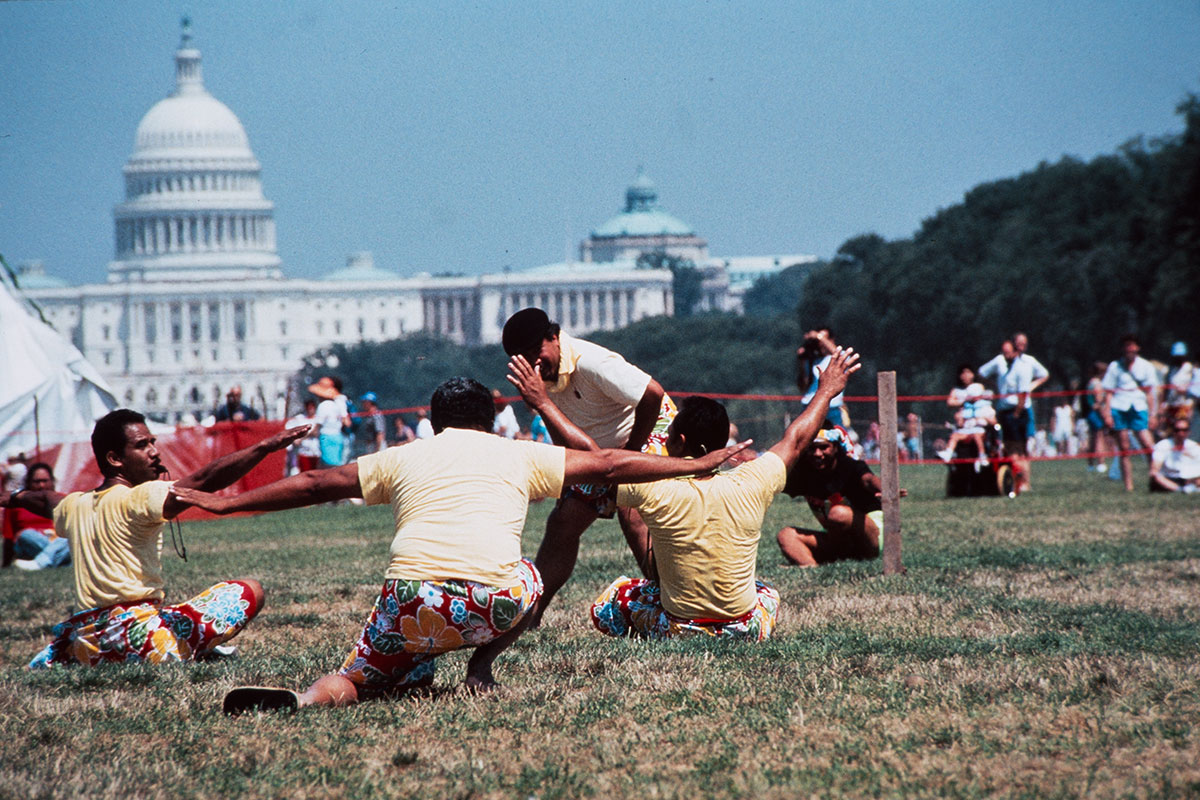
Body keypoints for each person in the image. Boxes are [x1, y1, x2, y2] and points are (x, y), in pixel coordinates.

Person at [169, 377, 749, 713]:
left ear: (434, 420)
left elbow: (318, 482)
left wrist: (225, 503)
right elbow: (608, 461)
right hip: (494, 604)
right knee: (534, 574)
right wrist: (696, 462)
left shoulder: (403, 455)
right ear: (494, 419)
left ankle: (305, 700)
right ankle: (481, 668)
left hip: (410, 602)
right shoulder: (517, 452)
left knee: (358, 676)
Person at [508, 346, 859, 640]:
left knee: (613, 599)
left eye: (670, 429)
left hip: (680, 628)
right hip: (745, 626)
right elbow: (796, 439)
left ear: (680, 441)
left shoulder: (651, 487)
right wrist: (827, 390)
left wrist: (543, 403)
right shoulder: (755, 479)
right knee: (765, 592)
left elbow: (603, 462)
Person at [0, 409, 308, 668]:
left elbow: (42, 500)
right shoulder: (141, 496)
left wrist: (11, 497)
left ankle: (74, 655)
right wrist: (265, 446)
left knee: (167, 616)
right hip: (138, 638)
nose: (154, 452)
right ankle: (186, 649)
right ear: (115, 458)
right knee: (249, 590)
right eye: (142, 445)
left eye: (152, 442)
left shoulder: (74, 504)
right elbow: (204, 480)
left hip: (87, 642)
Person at [500, 307, 677, 624]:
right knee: (563, 522)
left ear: (554, 337)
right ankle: (531, 614)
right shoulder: (540, 382)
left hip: (648, 427)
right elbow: (566, 442)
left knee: (629, 505)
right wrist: (541, 403)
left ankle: (669, 600)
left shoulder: (590, 361)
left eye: (536, 350)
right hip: (601, 449)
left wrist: (631, 454)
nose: (535, 361)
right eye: (524, 357)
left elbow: (653, 394)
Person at [776, 422, 904, 567]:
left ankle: (855, 555)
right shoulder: (804, 474)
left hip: (872, 536)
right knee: (786, 535)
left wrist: (886, 489)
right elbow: (773, 481)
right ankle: (812, 568)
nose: (818, 454)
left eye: (824, 447)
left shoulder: (850, 466)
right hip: (837, 539)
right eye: (812, 449)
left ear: (835, 448)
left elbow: (868, 479)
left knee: (838, 514)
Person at [978, 337, 1049, 493]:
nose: (1006, 356)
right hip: (1005, 411)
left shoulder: (1023, 366)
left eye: (1008, 353)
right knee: (1011, 448)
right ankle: (1020, 483)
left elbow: (1023, 393)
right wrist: (996, 385)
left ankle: (1023, 482)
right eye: (1004, 353)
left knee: (1018, 449)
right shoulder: (1001, 363)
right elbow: (981, 373)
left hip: (1016, 412)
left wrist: (1017, 413)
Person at [1101, 334, 1161, 493]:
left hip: (1139, 407)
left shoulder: (1146, 366)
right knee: (1124, 448)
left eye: (1132, 345)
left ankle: (1155, 479)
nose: (1130, 349)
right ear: (1122, 348)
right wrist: (1107, 414)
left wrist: (1153, 414)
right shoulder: (1115, 366)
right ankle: (1129, 486)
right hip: (1119, 407)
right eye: (1126, 346)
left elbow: (1150, 393)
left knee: (1148, 445)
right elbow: (1108, 393)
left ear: (1138, 348)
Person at [4, 463, 71, 570]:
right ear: (28, 482)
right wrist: (5, 564)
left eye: (45, 481)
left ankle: (41, 562)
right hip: (29, 543)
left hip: (57, 540)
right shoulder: (16, 504)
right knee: (26, 535)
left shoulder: (61, 500)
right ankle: (58, 561)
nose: (41, 486)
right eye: (37, 481)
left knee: (69, 536)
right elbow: (8, 538)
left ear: (52, 481)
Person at [936, 364, 996, 465]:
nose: (965, 375)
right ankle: (948, 453)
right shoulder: (957, 392)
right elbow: (950, 403)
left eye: (968, 372)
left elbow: (991, 417)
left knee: (977, 436)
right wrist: (965, 401)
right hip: (964, 427)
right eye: (963, 373)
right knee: (954, 436)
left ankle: (982, 456)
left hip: (979, 429)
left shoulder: (983, 402)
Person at [796, 327, 846, 427]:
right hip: (809, 406)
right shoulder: (811, 361)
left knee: (837, 438)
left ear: (831, 340)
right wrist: (802, 360)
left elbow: (839, 355)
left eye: (824, 339)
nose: (820, 343)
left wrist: (819, 337)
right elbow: (803, 386)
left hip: (831, 407)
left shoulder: (838, 358)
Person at [1149, 418, 1200, 493]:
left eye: (1184, 430)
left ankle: (1187, 488)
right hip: (1169, 478)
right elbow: (1155, 469)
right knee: (1155, 475)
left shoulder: (1194, 446)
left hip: (1189, 478)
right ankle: (1181, 490)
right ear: (1173, 431)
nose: (1181, 433)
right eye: (1177, 430)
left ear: (1188, 432)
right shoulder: (1163, 445)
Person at [309, 376, 351, 468]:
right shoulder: (338, 403)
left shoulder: (323, 405)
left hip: (326, 437)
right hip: (338, 436)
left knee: (329, 467)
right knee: (337, 465)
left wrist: (303, 436)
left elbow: (317, 426)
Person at [1160, 342, 1195, 436]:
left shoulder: (1190, 368)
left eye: (1180, 356)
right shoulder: (1168, 369)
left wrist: (1186, 389)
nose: (1178, 359)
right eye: (1176, 357)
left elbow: (1195, 387)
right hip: (1171, 405)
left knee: (1181, 429)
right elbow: (1165, 388)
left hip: (1184, 404)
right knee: (1167, 432)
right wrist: (1162, 404)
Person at [1083, 361, 1112, 473]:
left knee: (1093, 439)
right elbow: (1098, 401)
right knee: (1099, 438)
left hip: (1090, 412)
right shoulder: (1097, 384)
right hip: (1096, 413)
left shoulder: (1090, 382)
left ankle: (1090, 464)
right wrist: (1104, 415)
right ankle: (1101, 463)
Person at [285, 399, 321, 474]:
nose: (310, 409)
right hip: (303, 451)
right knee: (304, 473)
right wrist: (294, 438)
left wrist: (303, 437)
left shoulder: (318, 419)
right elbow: (288, 427)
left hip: (316, 451)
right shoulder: (299, 418)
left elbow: (315, 432)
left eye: (312, 407)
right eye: (308, 407)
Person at [354, 392, 387, 457]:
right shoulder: (370, 416)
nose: (363, 404)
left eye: (364, 402)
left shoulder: (376, 415)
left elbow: (380, 433)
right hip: (372, 444)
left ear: (369, 403)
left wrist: (377, 449)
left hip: (377, 445)